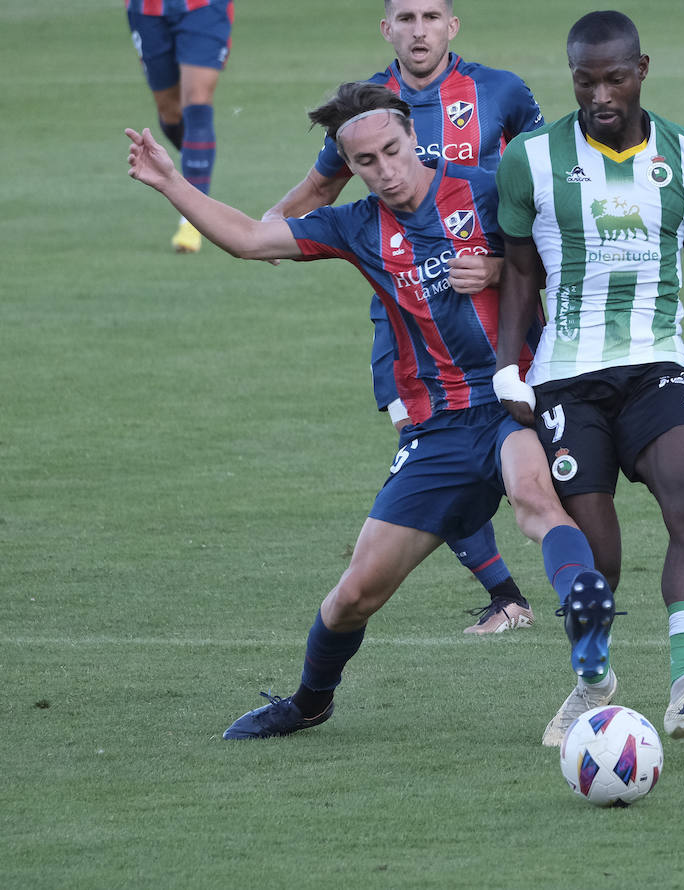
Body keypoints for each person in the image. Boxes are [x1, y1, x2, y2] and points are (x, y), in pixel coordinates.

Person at [126, 80, 616, 740]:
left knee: (535, 498)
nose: (385, 171)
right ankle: (310, 701)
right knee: (356, 594)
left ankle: (586, 619)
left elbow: (574, 256)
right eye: (366, 162)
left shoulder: (486, 189)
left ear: (415, 137)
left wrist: (499, 269)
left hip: (512, 399)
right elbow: (248, 238)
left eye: (392, 151)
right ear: (347, 165)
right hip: (437, 428)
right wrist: (169, 184)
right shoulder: (353, 225)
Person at [492, 10, 684, 747]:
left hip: (657, 365)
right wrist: (507, 369)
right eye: (585, 80)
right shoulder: (531, 160)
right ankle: (592, 680)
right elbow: (520, 273)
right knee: (600, 562)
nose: (600, 94)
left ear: (642, 70)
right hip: (567, 379)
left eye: (614, 78)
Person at [263, 0, 546, 634]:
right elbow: (321, 187)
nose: (419, 31)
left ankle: (570, 579)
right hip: (404, 310)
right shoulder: (365, 109)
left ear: (453, 23)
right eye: (406, 18)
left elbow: (542, 185)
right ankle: (506, 594)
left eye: (431, 15)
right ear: (386, 27)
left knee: (536, 441)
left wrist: (501, 268)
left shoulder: (501, 92)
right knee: (425, 442)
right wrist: (263, 233)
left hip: (499, 307)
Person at [126, 0, 234, 253]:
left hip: (204, 7)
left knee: (197, 104)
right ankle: (197, 163)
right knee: (170, 111)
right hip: (147, 9)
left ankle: (192, 221)